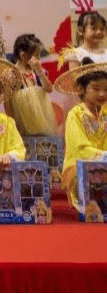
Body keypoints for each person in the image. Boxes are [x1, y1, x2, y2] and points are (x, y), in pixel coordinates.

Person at [53, 58, 107, 210]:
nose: (102, 94)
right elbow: (79, 148)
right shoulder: (75, 114)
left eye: (106, 89)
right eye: (96, 89)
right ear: (82, 89)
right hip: (79, 167)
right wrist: (103, 156)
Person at [8, 34, 57, 137]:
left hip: (41, 120)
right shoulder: (13, 74)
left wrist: (39, 71)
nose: (39, 59)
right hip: (23, 122)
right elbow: (8, 103)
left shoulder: (36, 71)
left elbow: (49, 89)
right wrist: (13, 126)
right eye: (36, 55)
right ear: (23, 56)